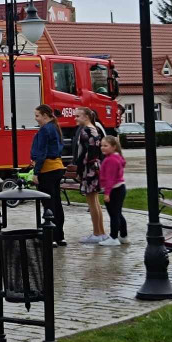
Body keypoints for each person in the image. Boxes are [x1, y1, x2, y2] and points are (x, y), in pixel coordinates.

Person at [31, 105, 66, 246]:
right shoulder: (55, 127)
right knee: (57, 202)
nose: (36, 119)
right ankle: (59, 236)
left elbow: (42, 153)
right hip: (57, 167)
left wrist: (36, 172)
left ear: (45, 115)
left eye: (37, 116)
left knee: (48, 203)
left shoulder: (45, 130)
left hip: (47, 169)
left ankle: (49, 236)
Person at [73, 108, 107, 244]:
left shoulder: (86, 131)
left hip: (89, 169)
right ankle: (101, 232)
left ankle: (97, 233)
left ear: (86, 116)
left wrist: (80, 170)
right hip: (95, 167)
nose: (75, 118)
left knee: (92, 202)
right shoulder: (94, 129)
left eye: (78, 116)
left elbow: (85, 154)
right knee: (95, 202)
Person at [98, 136, 129, 247]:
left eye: (106, 146)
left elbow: (110, 178)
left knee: (114, 215)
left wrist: (107, 193)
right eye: (102, 145)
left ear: (114, 147)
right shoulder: (117, 157)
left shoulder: (111, 160)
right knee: (118, 213)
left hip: (115, 190)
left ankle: (114, 237)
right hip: (119, 188)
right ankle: (124, 236)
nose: (103, 148)